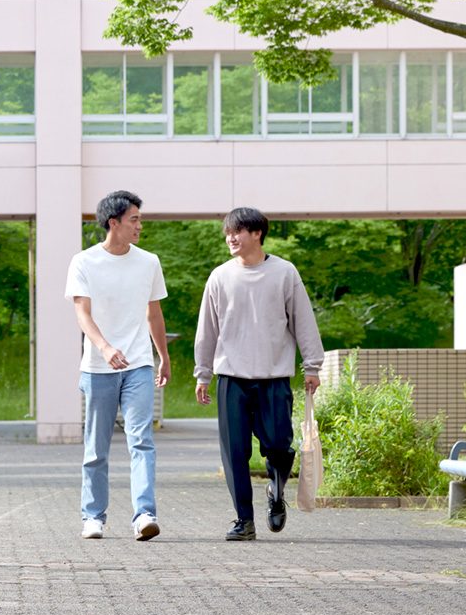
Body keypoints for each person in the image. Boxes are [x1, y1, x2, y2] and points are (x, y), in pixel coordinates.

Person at [193, 207, 325, 541]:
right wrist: (203, 373)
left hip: (274, 377)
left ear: (257, 234)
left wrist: (312, 366)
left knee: (280, 446)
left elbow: (303, 320)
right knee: (234, 452)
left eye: (237, 231)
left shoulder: (284, 272)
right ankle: (243, 520)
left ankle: (276, 492)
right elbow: (207, 329)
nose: (231, 238)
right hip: (231, 379)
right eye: (227, 233)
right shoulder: (220, 277)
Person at [66, 190, 170, 541]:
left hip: (139, 364)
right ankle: (93, 517)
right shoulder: (84, 262)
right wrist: (105, 347)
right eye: (134, 219)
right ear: (114, 223)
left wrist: (163, 357)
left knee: (142, 441)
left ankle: (144, 515)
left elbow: (153, 312)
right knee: (97, 446)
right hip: (98, 367)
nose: (140, 225)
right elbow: (82, 312)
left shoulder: (149, 262)